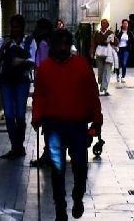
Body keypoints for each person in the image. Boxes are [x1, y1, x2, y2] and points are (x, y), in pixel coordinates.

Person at [32, 28, 102, 221]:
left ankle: (78, 196)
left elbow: (92, 94)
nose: (62, 48)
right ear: (53, 47)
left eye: (65, 44)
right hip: (53, 126)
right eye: (58, 44)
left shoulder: (81, 65)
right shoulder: (45, 68)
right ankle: (60, 208)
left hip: (78, 125)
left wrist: (97, 120)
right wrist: (37, 116)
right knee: (57, 168)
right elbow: (39, 95)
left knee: (80, 167)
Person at [0, 15, 33, 159]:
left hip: (22, 80)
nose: (14, 29)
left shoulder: (28, 42)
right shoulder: (4, 41)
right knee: (9, 115)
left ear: (22, 28)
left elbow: (33, 60)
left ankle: (19, 145)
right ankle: (15, 146)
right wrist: (4, 47)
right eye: (12, 26)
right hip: (7, 81)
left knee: (20, 115)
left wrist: (21, 62)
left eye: (17, 26)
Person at [27, 19, 55, 168]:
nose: (35, 30)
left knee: (47, 122)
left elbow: (43, 67)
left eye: (39, 28)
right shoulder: (48, 43)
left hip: (45, 89)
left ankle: (48, 154)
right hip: (50, 88)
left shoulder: (43, 45)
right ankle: (49, 152)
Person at [91, 19, 116, 95]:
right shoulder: (97, 33)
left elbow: (115, 42)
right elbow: (93, 43)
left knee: (107, 71)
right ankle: (101, 82)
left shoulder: (110, 33)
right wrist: (92, 52)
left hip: (108, 54)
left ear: (108, 25)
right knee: (101, 71)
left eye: (105, 23)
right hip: (99, 53)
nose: (104, 25)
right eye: (102, 23)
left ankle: (104, 88)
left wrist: (111, 42)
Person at [116, 19, 131, 85]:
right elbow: (115, 39)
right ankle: (118, 75)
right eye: (124, 23)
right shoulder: (119, 32)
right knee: (118, 64)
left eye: (126, 24)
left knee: (124, 63)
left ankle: (123, 77)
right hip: (119, 49)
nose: (125, 25)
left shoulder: (129, 33)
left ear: (128, 25)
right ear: (122, 24)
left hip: (125, 49)